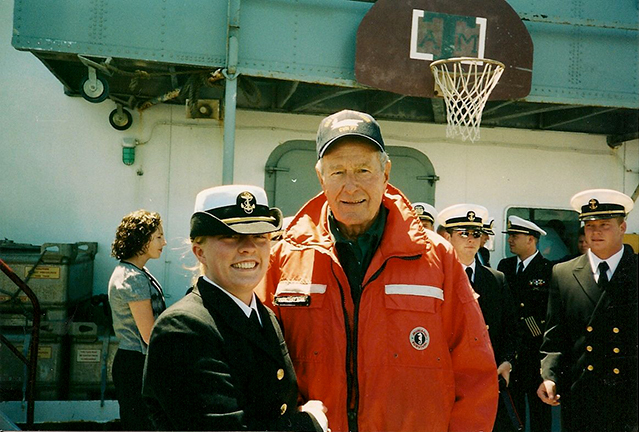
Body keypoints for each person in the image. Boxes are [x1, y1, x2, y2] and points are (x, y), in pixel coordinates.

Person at [258, 109, 498, 432]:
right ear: (320, 177)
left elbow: (476, 374)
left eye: (363, 170)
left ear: (386, 173)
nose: (351, 186)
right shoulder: (284, 258)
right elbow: (260, 369)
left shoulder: (437, 258)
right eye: (338, 172)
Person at [142, 185, 328, 432]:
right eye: (230, 237)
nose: (248, 247)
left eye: (260, 236)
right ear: (200, 252)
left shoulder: (264, 316)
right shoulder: (182, 329)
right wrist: (310, 424)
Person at [538, 189, 638, 432]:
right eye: (590, 225)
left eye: (605, 224)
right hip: (582, 394)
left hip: (630, 396)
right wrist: (549, 376)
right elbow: (555, 335)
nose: (596, 231)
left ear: (622, 227)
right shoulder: (563, 273)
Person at [438, 205, 521, 432]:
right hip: (448, 378)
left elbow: (511, 328)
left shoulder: (496, 279)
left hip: (486, 379)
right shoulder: (435, 278)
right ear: (447, 237)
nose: (471, 239)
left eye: (476, 233)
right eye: (463, 233)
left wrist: (507, 361)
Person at [108, 209, 167, 431]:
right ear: (142, 240)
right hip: (136, 364)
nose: (165, 242)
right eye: (159, 237)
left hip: (132, 362)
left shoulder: (133, 271)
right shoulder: (133, 277)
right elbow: (149, 334)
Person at [497, 215, 552, 432]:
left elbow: (550, 313)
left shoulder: (549, 269)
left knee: (540, 411)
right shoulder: (505, 266)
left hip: (535, 350)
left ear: (531, 239)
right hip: (512, 352)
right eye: (510, 236)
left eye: (514, 236)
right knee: (513, 410)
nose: (510, 240)